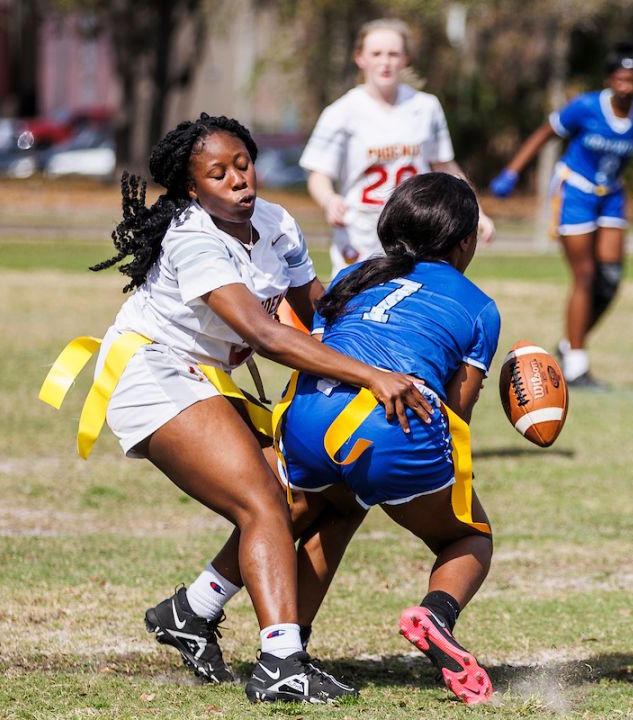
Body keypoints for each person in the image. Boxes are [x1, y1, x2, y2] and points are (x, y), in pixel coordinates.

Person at [38, 113, 434, 704]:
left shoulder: (277, 224)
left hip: (205, 377)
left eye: (243, 166)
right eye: (217, 175)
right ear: (192, 190)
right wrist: (373, 377)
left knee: (324, 494)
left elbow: (317, 311)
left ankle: (190, 612)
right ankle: (280, 664)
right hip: (152, 371)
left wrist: (389, 325)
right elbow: (268, 336)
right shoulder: (194, 237)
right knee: (264, 502)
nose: (237, 182)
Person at [177, 173, 501, 704]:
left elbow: (320, 346)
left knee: (328, 508)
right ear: (465, 242)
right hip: (390, 422)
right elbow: (455, 410)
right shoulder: (479, 304)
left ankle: (280, 647)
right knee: (467, 537)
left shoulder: (352, 274)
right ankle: (435, 615)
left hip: (305, 414)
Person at [489, 42, 633, 389]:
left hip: (610, 193)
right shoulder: (585, 107)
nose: (627, 87)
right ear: (610, 80)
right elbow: (544, 134)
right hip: (575, 190)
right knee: (585, 275)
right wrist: (512, 171)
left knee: (609, 280)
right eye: (620, 80)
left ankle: (569, 345)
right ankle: (577, 366)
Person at [300, 17, 494, 277]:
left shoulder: (426, 107)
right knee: (355, 298)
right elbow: (318, 173)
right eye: (376, 53)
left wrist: (476, 211)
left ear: (405, 59)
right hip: (361, 228)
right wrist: (329, 200)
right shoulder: (341, 112)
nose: (385, 61)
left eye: (393, 54)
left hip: (416, 225)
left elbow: (444, 165)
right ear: (360, 58)